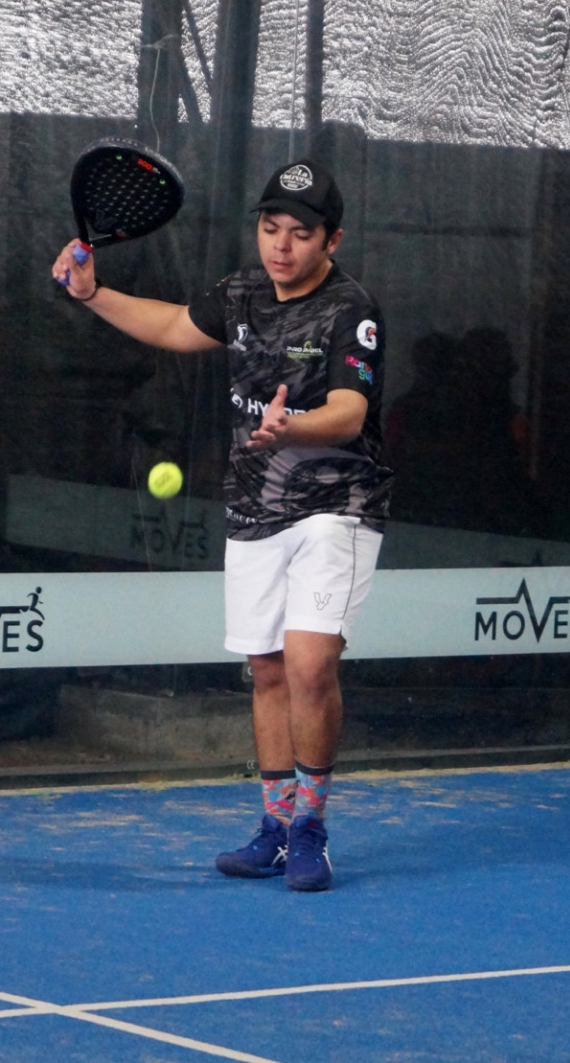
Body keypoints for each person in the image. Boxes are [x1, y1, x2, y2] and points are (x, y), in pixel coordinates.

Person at [49, 158, 389, 891]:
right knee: (266, 669)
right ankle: (275, 828)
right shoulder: (239, 293)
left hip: (336, 506)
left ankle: (311, 830)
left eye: (300, 233)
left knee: (309, 666)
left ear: (332, 240)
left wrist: (294, 427)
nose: (282, 245)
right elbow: (175, 326)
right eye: (271, 228)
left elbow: (350, 412)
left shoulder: (351, 309)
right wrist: (93, 293)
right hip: (253, 506)